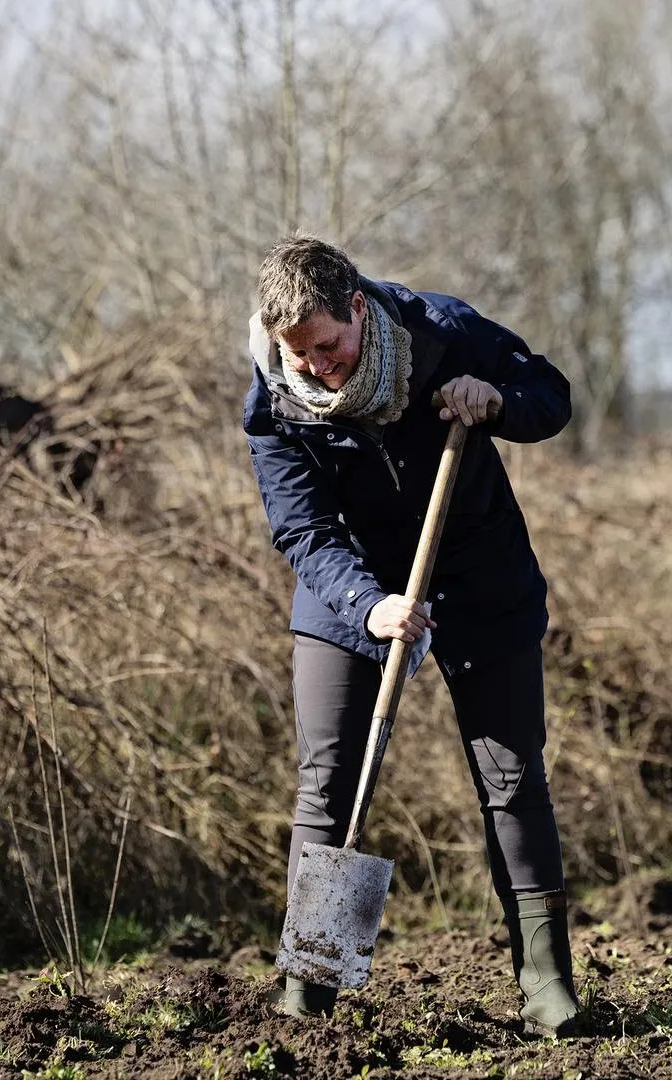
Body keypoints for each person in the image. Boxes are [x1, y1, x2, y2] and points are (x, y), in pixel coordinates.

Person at [243, 235, 581, 1036]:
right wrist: (369, 605)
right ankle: (311, 985)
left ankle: (546, 985)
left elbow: (551, 395)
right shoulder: (275, 398)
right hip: (348, 586)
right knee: (328, 779)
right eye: (299, 353)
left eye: (327, 345)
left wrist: (494, 398)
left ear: (358, 307)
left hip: (476, 574)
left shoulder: (441, 331)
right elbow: (301, 529)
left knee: (511, 778)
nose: (317, 367)